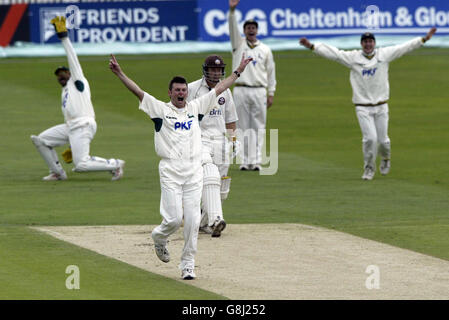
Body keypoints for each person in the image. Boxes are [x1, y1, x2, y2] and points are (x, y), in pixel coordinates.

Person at [109, 53, 252, 280]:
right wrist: (119, 73)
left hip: (193, 171)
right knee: (174, 220)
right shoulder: (160, 110)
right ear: (170, 92)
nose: (181, 93)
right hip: (171, 172)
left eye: (183, 90)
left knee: (193, 222)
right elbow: (137, 91)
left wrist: (239, 71)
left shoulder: (196, 107)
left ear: (187, 92)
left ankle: (188, 265)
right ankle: (159, 237)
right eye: (176, 90)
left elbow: (220, 87)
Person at [299, 28, 437, 180]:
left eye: (370, 41)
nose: (368, 44)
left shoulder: (383, 55)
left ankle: (385, 159)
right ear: (361, 44)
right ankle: (369, 169)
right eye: (365, 42)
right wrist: (312, 46)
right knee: (370, 139)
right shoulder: (353, 58)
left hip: (381, 105)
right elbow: (335, 54)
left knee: (383, 141)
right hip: (362, 107)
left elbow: (403, 48)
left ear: (374, 43)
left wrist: (423, 39)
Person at [31, 16, 125, 181]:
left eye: (64, 73)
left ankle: (115, 163)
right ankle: (58, 173)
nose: (61, 76)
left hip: (83, 124)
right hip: (72, 127)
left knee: (81, 165)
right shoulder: (65, 91)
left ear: (70, 74)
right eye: (58, 75)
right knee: (41, 140)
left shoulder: (77, 81)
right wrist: (72, 146)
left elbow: (73, 60)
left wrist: (64, 37)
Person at [187, 55, 240, 237]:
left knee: (222, 186)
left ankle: (204, 222)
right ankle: (215, 219)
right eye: (214, 70)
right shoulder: (193, 88)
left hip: (220, 141)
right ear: (206, 70)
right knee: (209, 177)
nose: (217, 73)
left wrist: (233, 141)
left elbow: (230, 120)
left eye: (219, 70)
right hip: (200, 140)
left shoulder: (226, 92)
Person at [228, 0, 276, 171]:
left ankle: (255, 160)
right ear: (244, 30)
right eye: (248, 27)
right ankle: (244, 160)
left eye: (253, 27)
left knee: (258, 126)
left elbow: (271, 72)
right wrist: (232, 12)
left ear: (257, 29)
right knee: (241, 126)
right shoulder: (238, 45)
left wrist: (271, 92)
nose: (250, 30)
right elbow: (232, 29)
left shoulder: (265, 49)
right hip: (240, 88)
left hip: (259, 91)